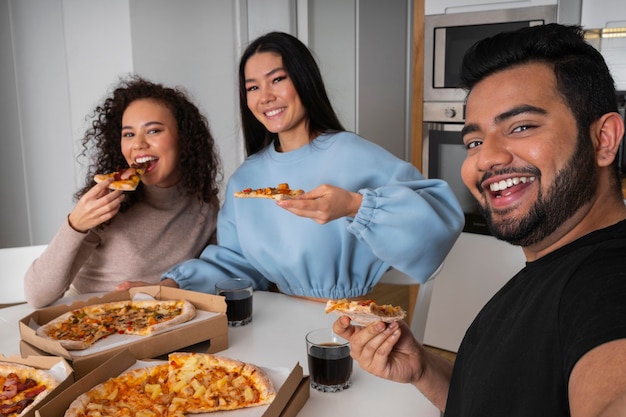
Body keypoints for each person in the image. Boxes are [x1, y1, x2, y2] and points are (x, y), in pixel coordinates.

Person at [334, 23, 626, 416]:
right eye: (474, 141)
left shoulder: (607, 282)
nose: (484, 159)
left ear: (603, 139)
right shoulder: (550, 266)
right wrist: (423, 370)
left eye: (521, 127)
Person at [159, 31, 464, 299]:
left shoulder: (353, 153)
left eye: (277, 79)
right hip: (275, 322)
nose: (265, 97)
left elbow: (437, 222)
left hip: (347, 326)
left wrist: (355, 205)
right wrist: (172, 285)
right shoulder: (246, 179)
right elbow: (236, 264)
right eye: (252, 88)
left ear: (304, 80)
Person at [24, 76, 222, 308]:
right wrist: (75, 224)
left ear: (183, 139)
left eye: (154, 131)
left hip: (159, 323)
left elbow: (215, 272)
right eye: (128, 134)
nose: (138, 144)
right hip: (92, 322)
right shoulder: (107, 200)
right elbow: (37, 296)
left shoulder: (204, 203)